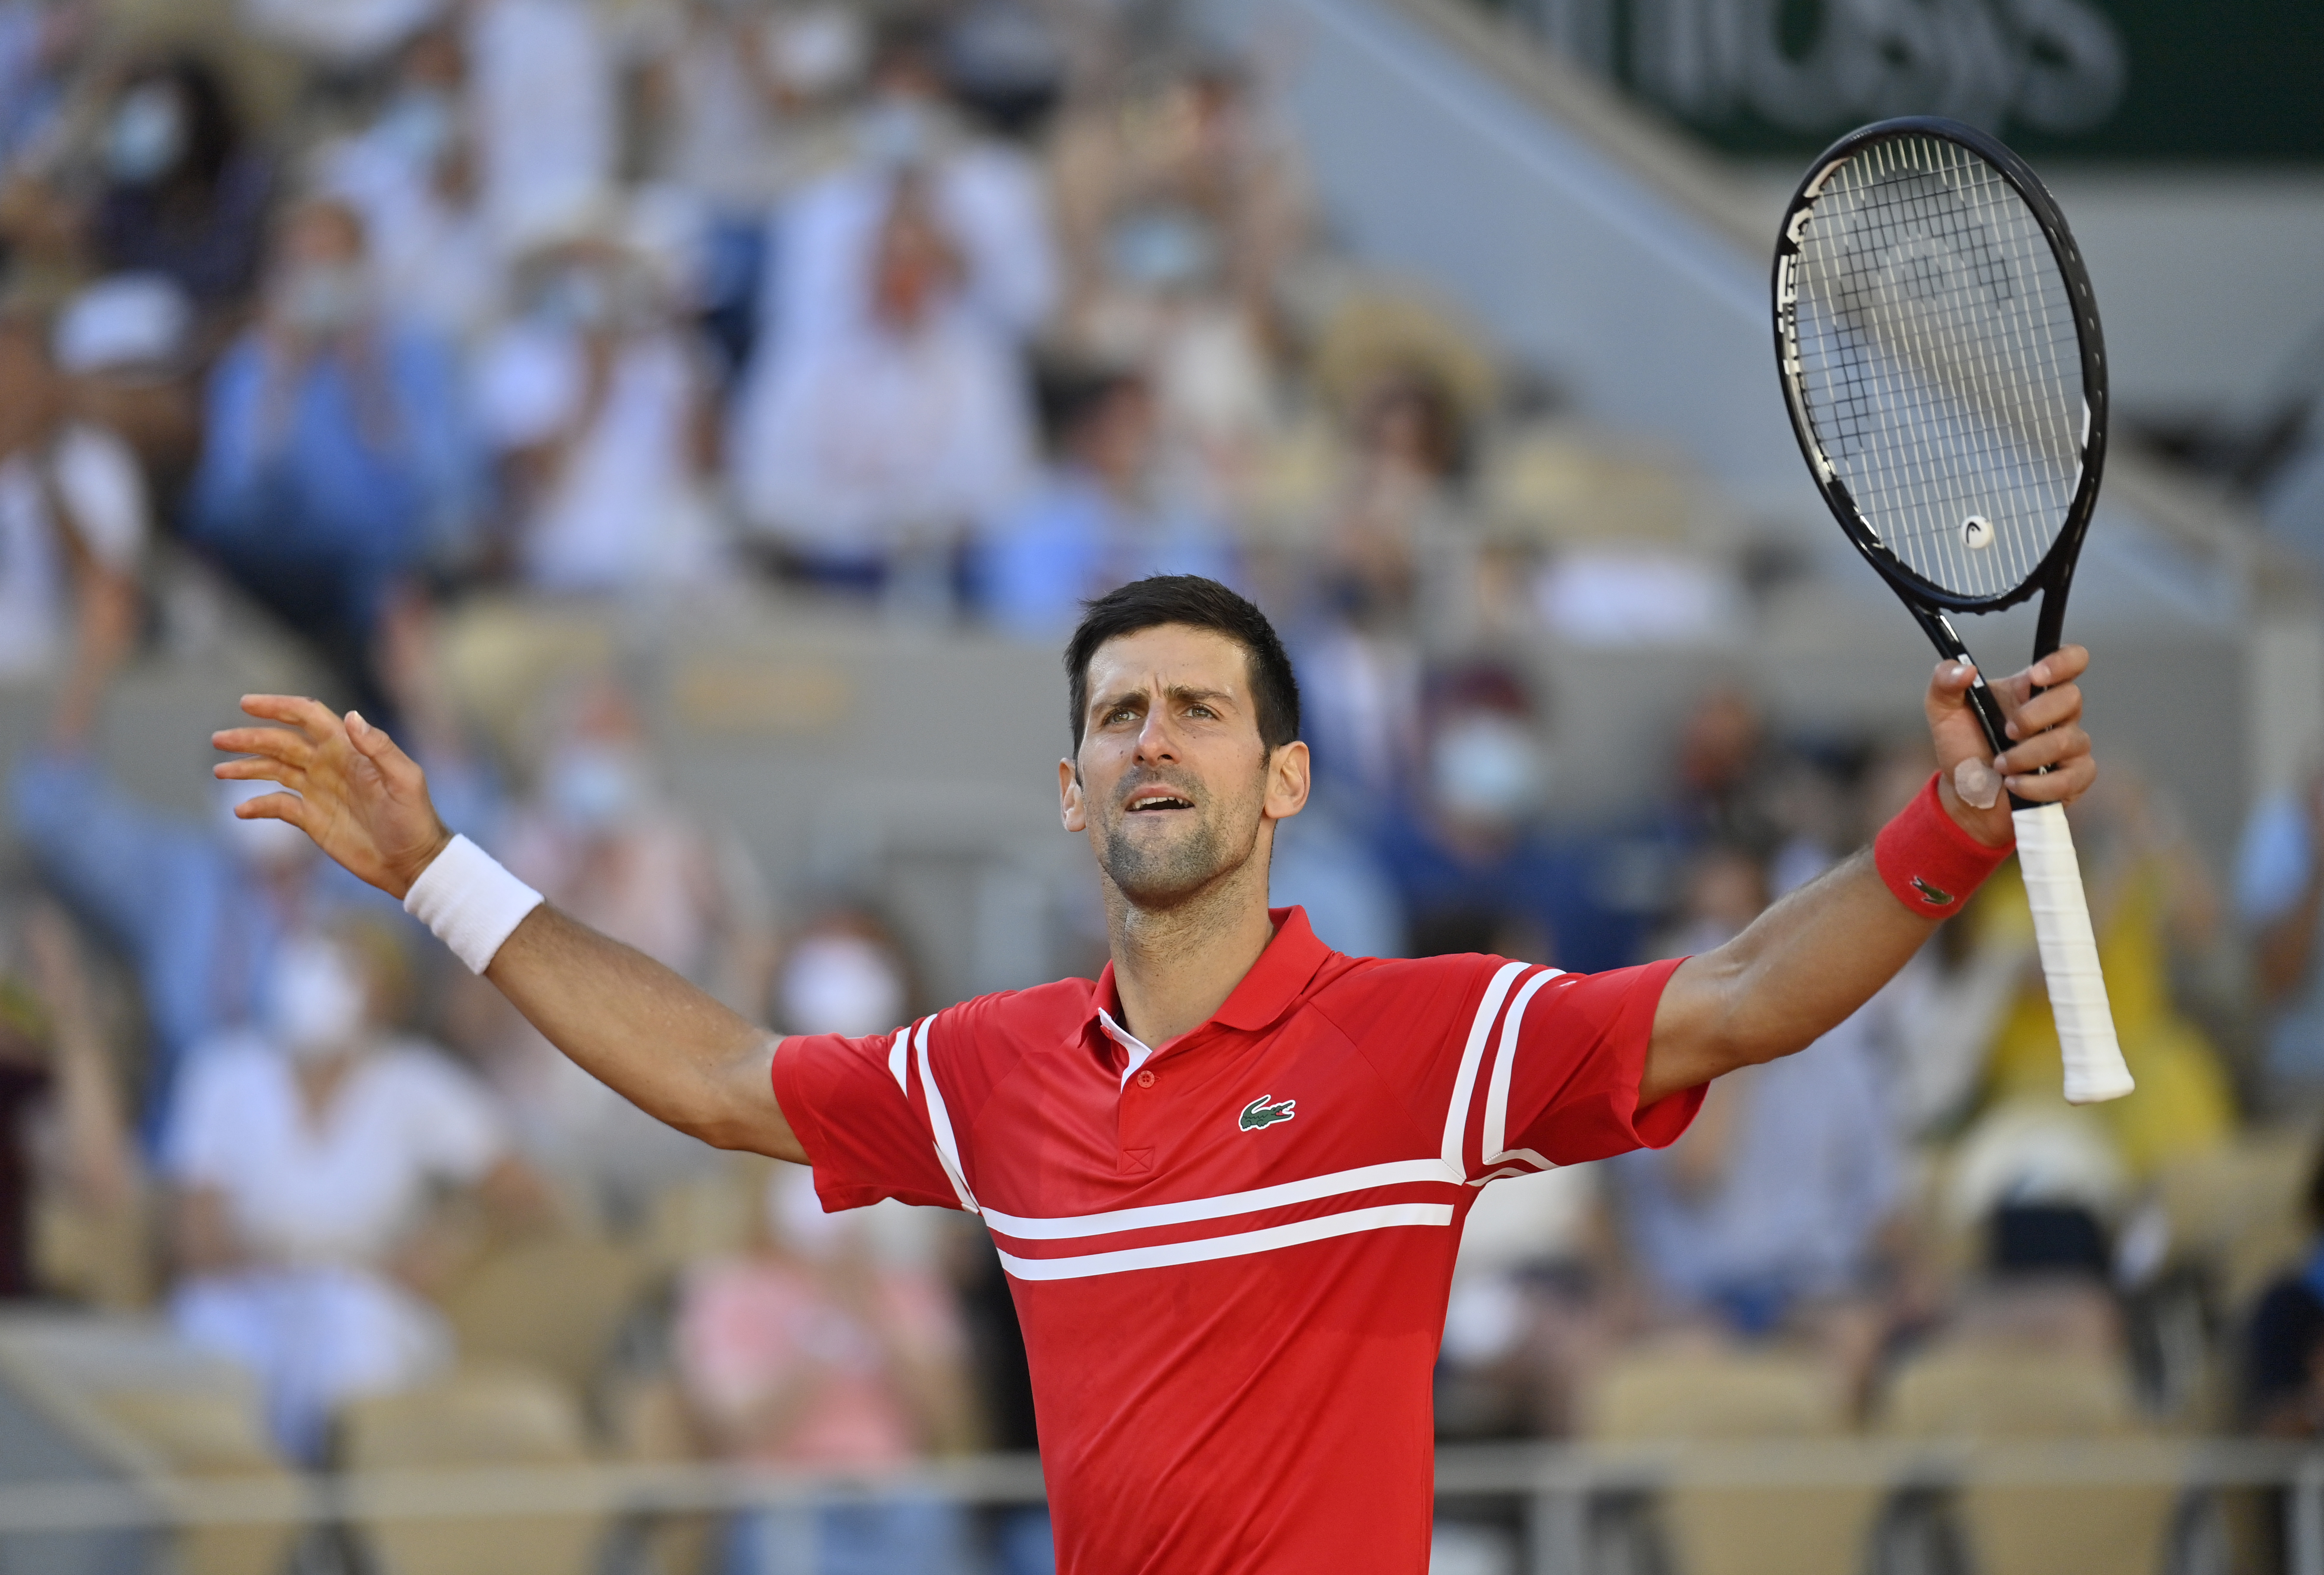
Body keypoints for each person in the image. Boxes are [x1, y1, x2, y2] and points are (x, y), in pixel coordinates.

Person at [212, 574, 2101, 1573]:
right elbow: (715, 1075)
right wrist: (438, 875)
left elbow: (1737, 996)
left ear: (1283, 777)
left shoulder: (1420, 1038)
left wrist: (1937, 833)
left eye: (1199, 707)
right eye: (1116, 715)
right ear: (1066, 787)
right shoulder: (987, 1070)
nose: (1151, 741)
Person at [164, 921, 550, 1461]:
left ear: (388, 999)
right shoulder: (224, 1071)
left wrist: (450, 1242)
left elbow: (525, 1192)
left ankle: (341, 1516)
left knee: (356, 1339)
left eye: (347, 969)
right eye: (314, 961)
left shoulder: (417, 1082)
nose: (320, 983)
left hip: (364, 1292)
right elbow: (194, 1238)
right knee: (210, 1334)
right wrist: (282, 1264)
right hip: (249, 1289)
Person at [184, 196, 479, 723]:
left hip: (395, 567)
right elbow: (227, 507)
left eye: (334, 265)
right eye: (303, 266)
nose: (318, 280)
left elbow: (449, 500)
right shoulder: (250, 368)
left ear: (365, 270)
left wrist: (371, 389)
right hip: (290, 572)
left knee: (388, 590)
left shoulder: (419, 355)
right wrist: (281, 385)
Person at [676, 1164, 975, 1575]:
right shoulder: (730, 1291)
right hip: (784, 1504)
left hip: (896, 1498)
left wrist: (868, 1309)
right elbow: (743, 1426)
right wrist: (824, 1325)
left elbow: (946, 1415)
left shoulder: (904, 1287)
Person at [0, 308, 149, 682]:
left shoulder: (94, 460)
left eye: (18, 369)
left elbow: (110, 592)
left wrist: (45, 477)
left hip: (47, 683)